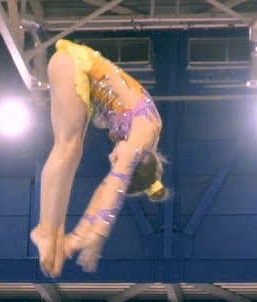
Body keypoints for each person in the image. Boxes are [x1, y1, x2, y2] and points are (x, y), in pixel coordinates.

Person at [32, 40, 167, 276]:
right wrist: (98, 235)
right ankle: (45, 231)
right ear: (135, 159)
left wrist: (75, 238)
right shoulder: (142, 134)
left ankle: (54, 231)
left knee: (72, 153)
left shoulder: (140, 142)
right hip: (74, 64)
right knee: (67, 147)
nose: (111, 156)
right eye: (116, 160)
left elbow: (105, 191)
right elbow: (118, 179)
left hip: (77, 71)